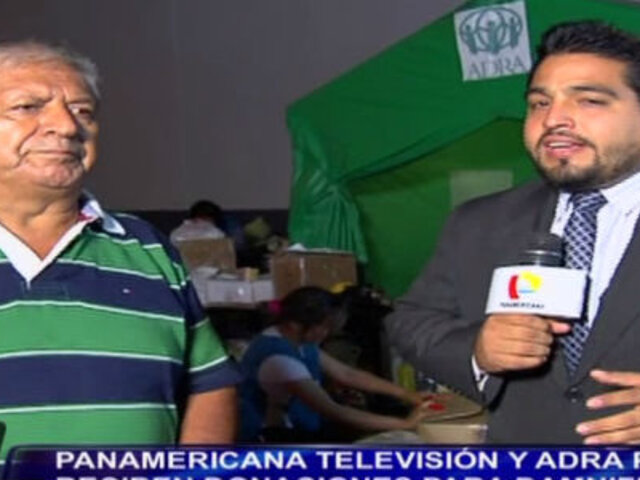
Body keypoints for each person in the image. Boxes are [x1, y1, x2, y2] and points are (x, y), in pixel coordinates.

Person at [385, 20, 640, 444]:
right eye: (539, 103)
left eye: (589, 101)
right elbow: (411, 321)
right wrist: (477, 351)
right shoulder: (480, 222)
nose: (554, 119)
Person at [0, 40, 241, 459]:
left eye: (83, 111)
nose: (67, 126)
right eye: (28, 106)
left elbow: (209, 382)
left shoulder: (147, 248)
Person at [239, 287, 431, 442]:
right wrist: (404, 424)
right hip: (273, 440)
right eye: (324, 327)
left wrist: (407, 394)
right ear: (296, 325)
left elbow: (347, 374)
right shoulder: (278, 359)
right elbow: (334, 411)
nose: (327, 333)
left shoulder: (297, 340)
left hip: (303, 427)